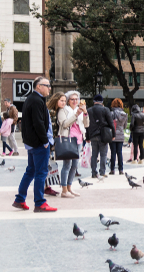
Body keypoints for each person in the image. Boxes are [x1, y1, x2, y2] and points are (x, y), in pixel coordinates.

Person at [13, 77, 56, 212]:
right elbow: (38, 123)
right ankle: (39, 203)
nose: (49, 88)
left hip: (32, 143)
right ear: (38, 86)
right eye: (47, 85)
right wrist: (45, 141)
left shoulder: (31, 99)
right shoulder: (37, 101)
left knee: (31, 171)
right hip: (39, 144)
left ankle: (20, 199)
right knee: (41, 173)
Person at [54, 91, 88, 198]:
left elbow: (86, 124)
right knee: (67, 165)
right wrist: (76, 114)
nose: (75, 101)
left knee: (74, 166)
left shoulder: (80, 110)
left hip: (78, 141)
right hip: (68, 140)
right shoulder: (63, 110)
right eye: (72, 99)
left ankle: (69, 187)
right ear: (68, 101)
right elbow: (65, 124)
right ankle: (64, 190)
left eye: (76, 99)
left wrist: (85, 113)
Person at [86, 94, 114, 179]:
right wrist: (113, 134)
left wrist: (87, 137)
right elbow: (111, 123)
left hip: (92, 135)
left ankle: (94, 173)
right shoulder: (105, 109)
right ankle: (102, 172)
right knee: (103, 155)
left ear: (94, 101)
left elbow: (87, 125)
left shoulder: (89, 110)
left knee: (94, 154)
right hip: (103, 135)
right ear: (102, 101)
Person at [109, 98, 127, 175]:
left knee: (113, 152)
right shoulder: (124, 114)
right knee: (119, 152)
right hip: (121, 135)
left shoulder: (111, 113)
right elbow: (125, 126)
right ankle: (121, 169)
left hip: (112, 135)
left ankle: (112, 169)